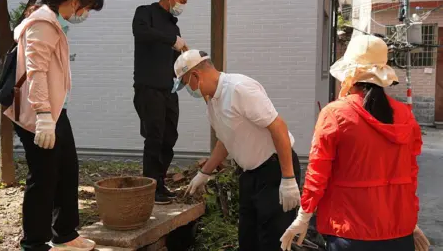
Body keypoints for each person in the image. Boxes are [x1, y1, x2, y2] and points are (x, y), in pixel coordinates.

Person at [280, 34, 431, 251]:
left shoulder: (335, 113)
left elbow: (317, 173)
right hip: (398, 233)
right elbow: (409, 176)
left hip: (348, 232)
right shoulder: (405, 115)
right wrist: (411, 222)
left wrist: (303, 217)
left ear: (350, 75)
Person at [3, 0, 104, 250]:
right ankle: (34, 243)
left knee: (67, 170)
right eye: (87, 8)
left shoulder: (52, 23)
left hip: (57, 111)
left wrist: (52, 113)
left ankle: (65, 234)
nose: (85, 14)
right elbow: (35, 72)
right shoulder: (43, 24)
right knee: (44, 175)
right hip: (40, 114)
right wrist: (44, 115)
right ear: (74, 2)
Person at [174, 50, 301, 251]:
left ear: (196, 76)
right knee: (248, 239)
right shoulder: (212, 102)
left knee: (272, 242)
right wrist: (204, 172)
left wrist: (288, 179)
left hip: (274, 170)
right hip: (249, 175)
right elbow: (224, 141)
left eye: (186, 83)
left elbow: (278, 127)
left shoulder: (239, 89)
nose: (189, 90)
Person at [132, 0, 192, 205]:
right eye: (182, 1)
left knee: (169, 136)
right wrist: (171, 40)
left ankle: (160, 182)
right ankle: (151, 187)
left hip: (169, 90)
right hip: (148, 88)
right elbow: (141, 33)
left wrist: (187, 68)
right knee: (154, 136)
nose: (182, 7)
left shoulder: (172, 25)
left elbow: (176, 58)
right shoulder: (145, 13)